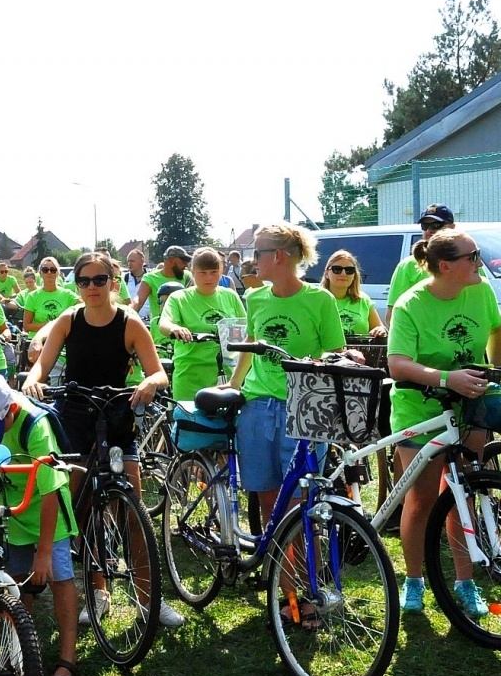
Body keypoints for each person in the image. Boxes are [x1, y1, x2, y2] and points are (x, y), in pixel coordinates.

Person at [23, 251, 181, 627]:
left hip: (115, 416)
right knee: (80, 508)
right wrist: (34, 379)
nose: (92, 287)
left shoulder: (129, 323)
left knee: (133, 511)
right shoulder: (68, 320)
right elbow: (42, 365)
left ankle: (150, 599)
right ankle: (96, 589)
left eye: (99, 279)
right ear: (75, 286)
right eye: (84, 281)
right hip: (76, 417)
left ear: (113, 281)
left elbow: (158, 373)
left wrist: (148, 381)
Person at [385, 228, 501, 613]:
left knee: (463, 492)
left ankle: (465, 581)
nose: (479, 263)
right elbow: (397, 363)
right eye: (472, 257)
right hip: (419, 408)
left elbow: (496, 330)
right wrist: (445, 378)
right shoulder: (410, 303)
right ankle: (414, 581)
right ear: (444, 266)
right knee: (421, 500)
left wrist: (495, 372)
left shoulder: (481, 289)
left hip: (469, 404)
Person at [0, 373, 81, 676]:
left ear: (11, 410)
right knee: (16, 580)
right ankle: (21, 648)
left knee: (59, 577)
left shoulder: (36, 428)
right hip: (14, 509)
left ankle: (68, 658)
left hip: (47, 514)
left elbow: (49, 493)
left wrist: (43, 552)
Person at [227, 224, 349, 531]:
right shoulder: (255, 297)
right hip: (257, 408)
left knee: (303, 507)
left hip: (304, 411)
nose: (253, 260)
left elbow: (337, 352)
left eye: (257, 252)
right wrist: (233, 385)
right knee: (269, 500)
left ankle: (307, 578)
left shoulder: (320, 299)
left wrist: (314, 363)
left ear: (278, 256)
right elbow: (251, 346)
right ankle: (281, 577)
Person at [160, 247, 246, 400]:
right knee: (188, 421)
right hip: (190, 374)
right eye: (202, 273)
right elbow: (165, 323)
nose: (208, 278)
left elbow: (246, 328)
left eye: (214, 272)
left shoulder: (230, 296)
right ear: (192, 272)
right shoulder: (179, 298)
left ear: (221, 271)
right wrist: (175, 328)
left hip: (227, 374)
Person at [386, 204, 455, 322]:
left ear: (452, 228)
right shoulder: (407, 266)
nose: (429, 230)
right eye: (425, 226)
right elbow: (393, 315)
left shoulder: (469, 261)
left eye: (436, 225)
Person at [321, 248, 387, 339]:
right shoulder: (317, 299)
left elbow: (379, 327)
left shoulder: (363, 300)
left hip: (360, 352)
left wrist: (380, 330)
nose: (343, 274)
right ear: (326, 273)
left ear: (354, 275)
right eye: (337, 269)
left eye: (349, 270)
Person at [131, 246, 191, 344]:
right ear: (171, 261)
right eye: (183, 261)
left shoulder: (187, 276)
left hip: (183, 333)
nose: (186, 265)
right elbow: (138, 301)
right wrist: (125, 315)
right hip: (159, 336)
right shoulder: (150, 278)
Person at [22, 256, 82, 334]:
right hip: (38, 341)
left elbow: (85, 307)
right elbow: (26, 326)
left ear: (57, 273)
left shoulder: (68, 295)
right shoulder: (32, 296)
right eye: (45, 270)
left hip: (62, 341)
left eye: (53, 270)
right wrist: (52, 325)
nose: (49, 272)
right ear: (40, 273)